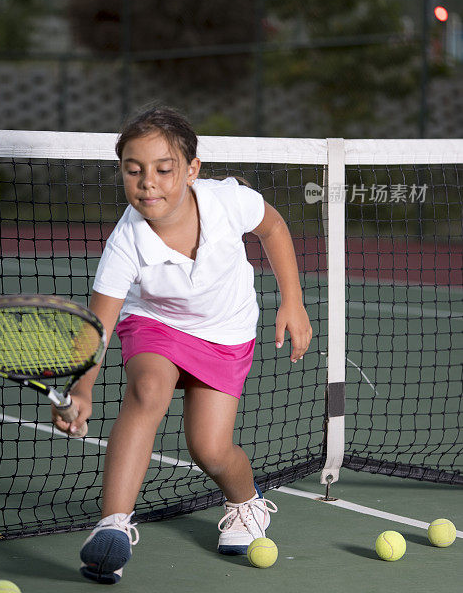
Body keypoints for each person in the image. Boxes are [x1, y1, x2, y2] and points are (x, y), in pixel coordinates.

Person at [52, 106, 312, 584]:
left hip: (226, 329)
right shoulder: (125, 242)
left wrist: (291, 302)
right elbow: (99, 325)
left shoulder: (226, 202)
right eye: (133, 171)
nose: (147, 182)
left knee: (209, 449)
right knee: (148, 389)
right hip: (156, 322)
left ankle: (246, 503)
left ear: (192, 170)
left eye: (163, 169)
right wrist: (82, 388)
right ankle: (112, 526)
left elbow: (272, 227)